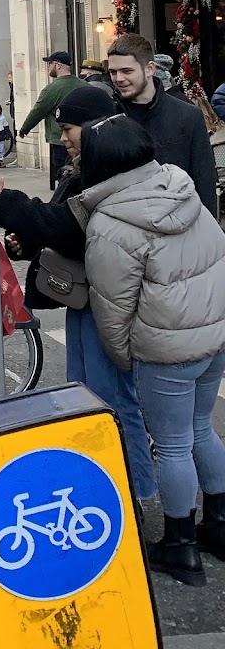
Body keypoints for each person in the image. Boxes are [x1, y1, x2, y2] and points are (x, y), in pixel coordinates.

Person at [72, 114, 225, 587]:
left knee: (173, 445)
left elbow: (112, 312)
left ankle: (181, 546)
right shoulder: (180, 188)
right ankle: (217, 524)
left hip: (163, 348)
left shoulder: (110, 222)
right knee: (203, 430)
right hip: (211, 336)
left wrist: (127, 360)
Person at [0, 86, 156, 505]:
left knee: (113, 402)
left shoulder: (110, 172)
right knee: (84, 395)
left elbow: (66, 225)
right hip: (85, 299)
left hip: (109, 302)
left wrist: (4, 200)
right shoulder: (84, 167)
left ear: (95, 127)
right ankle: (101, 487)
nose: (63, 137)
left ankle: (135, 495)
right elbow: (61, 229)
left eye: (68, 128)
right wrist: (26, 244)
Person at [106, 33, 216, 214]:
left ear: (149, 69)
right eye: (113, 72)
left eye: (127, 71)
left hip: (178, 224)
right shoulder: (108, 116)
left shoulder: (187, 116)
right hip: (122, 227)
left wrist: (206, 233)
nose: (118, 79)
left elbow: (204, 181)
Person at [17, 51, 87, 190]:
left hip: (60, 138)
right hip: (83, 137)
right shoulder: (84, 85)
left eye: (50, 64)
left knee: (63, 171)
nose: (49, 68)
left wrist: (24, 129)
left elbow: (38, 111)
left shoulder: (52, 89)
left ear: (58, 65)